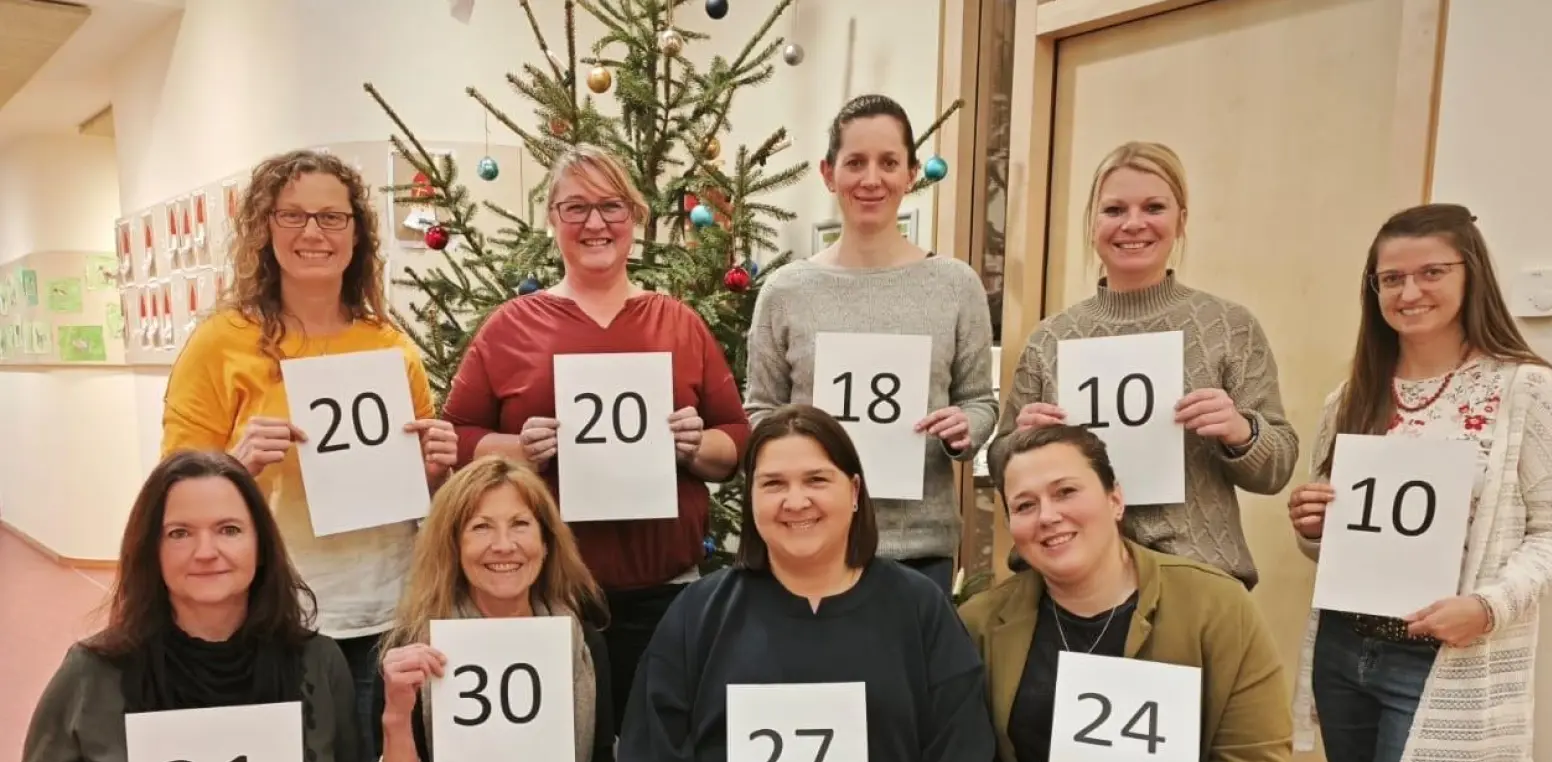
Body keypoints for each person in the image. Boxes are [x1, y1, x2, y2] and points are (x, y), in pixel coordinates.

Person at [161, 149, 455, 762]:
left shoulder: (388, 345)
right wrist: (235, 462)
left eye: (332, 216)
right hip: (279, 614)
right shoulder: (220, 342)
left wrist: (437, 465)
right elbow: (171, 493)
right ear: (265, 229)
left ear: (357, 235)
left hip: (386, 608)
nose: (313, 232)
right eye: (293, 215)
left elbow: (417, 492)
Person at [1285, 203, 1552, 762]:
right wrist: (1310, 525)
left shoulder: (1525, 390)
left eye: (1430, 273)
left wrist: (1487, 606)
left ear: (1470, 275)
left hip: (1441, 661)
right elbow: (1338, 542)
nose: (1409, 292)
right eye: (1391, 279)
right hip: (1344, 648)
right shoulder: (1351, 396)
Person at [614, 404, 1005, 762]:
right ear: (751, 498)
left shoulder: (919, 609)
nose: (795, 501)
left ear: (856, 492)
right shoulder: (698, 612)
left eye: (817, 479)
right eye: (773, 484)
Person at [440, 143, 750, 723]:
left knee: (657, 751)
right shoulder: (510, 327)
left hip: (667, 591)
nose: (595, 224)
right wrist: (518, 452)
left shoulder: (677, 322)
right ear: (552, 219)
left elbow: (735, 437)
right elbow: (455, 437)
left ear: (635, 216)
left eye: (611, 206)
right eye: (575, 207)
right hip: (543, 595)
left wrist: (696, 445)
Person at [0, 450, 362, 762]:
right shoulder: (93, 670)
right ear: (151, 549)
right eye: (179, 533)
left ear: (261, 544)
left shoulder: (319, 661)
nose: (206, 552)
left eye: (229, 530)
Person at [959, 424, 1294, 762]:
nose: (1048, 516)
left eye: (1066, 491)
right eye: (1025, 505)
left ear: (1115, 499)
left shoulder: (1217, 605)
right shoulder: (979, 623)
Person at [989, 141, 1297, 588]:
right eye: (1114, 210)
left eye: (1154, 207)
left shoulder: (1229, 326)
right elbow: (1002, 463)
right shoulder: (1051, 338)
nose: (1133, 224)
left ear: (1181, 221)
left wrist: (1240, 431)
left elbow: (1278, 469)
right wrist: (1020, 441)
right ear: (1092, 223)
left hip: (1197, 580)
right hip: (1072, 582)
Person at [743, 94, 996, 594]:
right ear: (828, 173)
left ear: (911, 173)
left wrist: (965, 427)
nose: (871, 179)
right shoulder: (785, 291)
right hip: (808, 543)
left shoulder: (955, 285)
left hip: (919, 546)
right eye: (855, 162)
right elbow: (760, 411)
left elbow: (980, 401)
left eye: (888, 163)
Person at [370, 456, 613, 762]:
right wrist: (397, 716)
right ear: (453, 545)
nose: (504, 545)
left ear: (546, 541)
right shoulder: (410, 649)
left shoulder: (579, 644)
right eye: (481, 527)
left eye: (520, 524)